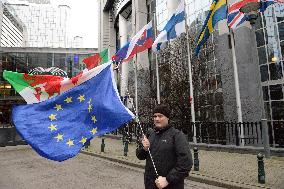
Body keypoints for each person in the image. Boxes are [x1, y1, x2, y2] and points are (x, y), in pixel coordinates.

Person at [136, 104, 193, 189]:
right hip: (150, 185)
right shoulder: (150, 134)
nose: (157, 119)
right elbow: (139, 156)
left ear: (167, 118)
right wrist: (144, 149)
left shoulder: (177, 135)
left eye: (160, 116)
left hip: (171, 186)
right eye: (155, 116)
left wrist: (168, 179)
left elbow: (186, 163)